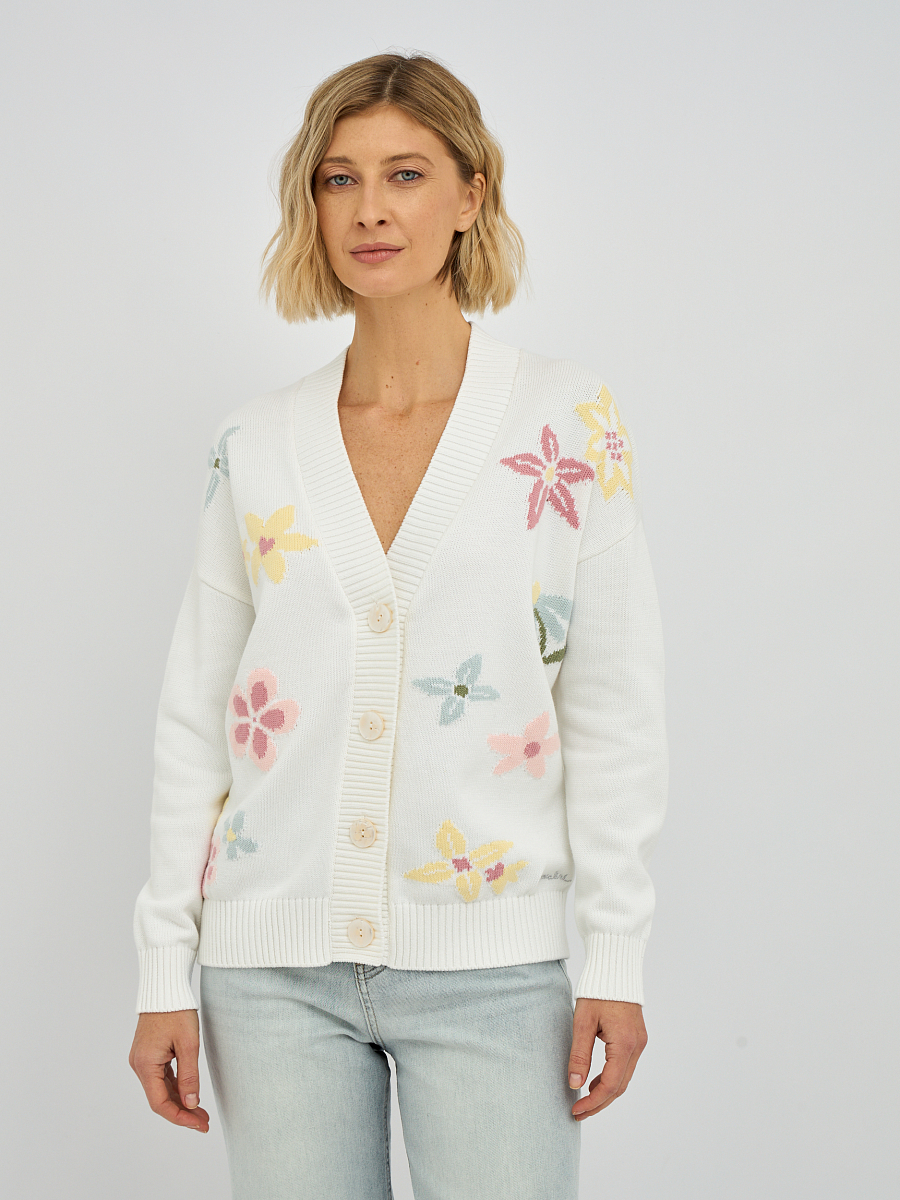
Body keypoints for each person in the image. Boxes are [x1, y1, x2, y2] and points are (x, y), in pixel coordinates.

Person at [128, 50, 668, 1200]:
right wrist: (163, 968)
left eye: (406, 174)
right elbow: (198, 716)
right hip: (268, 972)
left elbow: (613, 703)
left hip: (494, 972)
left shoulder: (566, 422)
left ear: (472, 193)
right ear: (312, 204)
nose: (370, 208)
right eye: (340, 179)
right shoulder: (255, 444)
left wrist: (615, 954)